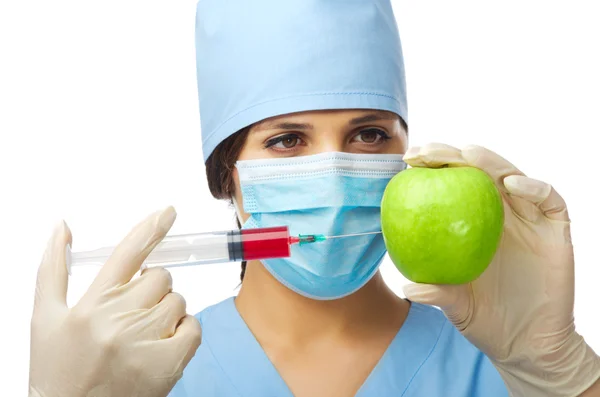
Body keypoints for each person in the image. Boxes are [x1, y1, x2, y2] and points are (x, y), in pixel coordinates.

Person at [29, 1, 600, 396]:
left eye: (369, 135)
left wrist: (560, 371)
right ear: (225, 173)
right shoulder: (138, 375)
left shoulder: (504, 367)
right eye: (286, 140)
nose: (331, 174)